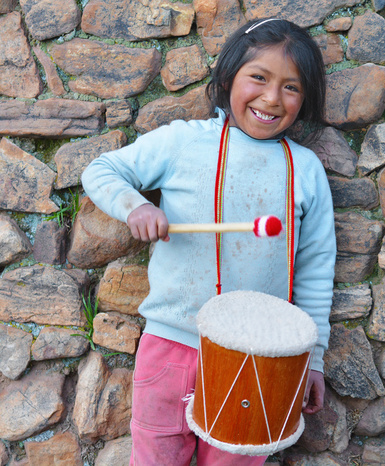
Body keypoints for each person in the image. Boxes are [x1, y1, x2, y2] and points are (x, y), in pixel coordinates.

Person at [81, 18, 336, 466]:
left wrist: (312, 359)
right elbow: (101, 171)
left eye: (291, 87)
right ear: (226, 78)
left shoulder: (306, 170)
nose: (272, 98)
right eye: (258, 77)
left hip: (260, 360)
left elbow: (316, 270)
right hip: (171, 350)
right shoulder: (183, 142)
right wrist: (136, 207)